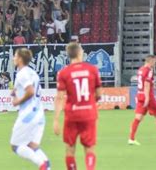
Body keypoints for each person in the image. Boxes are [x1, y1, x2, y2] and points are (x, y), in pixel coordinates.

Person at [53, 42, 101, 170]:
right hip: (89, 113)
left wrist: (56, 120)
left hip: (72, 114)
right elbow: (98, 94)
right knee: (89, 147)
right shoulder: (92, 69)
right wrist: (91, 104)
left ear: (68, 55)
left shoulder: (63, 73)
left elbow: (59, 97)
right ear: (80, 53)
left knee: (70, 148)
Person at [10, 48, 50, 170]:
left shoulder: (22, 74)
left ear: (20, 59)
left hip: (28, 114)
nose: (13, 58)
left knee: (15, 146)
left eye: (15, 56)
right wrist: (16, 93)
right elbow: (34, 90)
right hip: (39, 113)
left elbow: (31, 91)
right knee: (31, 146)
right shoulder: (33, 73)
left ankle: (41, 164)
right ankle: (46, 166)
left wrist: (17, 101)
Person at [128, 55, 156, 145]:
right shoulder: (149, 71)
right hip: (148, 96)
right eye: (154, 61)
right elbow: (146, 84)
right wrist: (147, 98)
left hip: (140, 95)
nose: (155, 63)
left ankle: (131, 139)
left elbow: (146, 84)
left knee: (138, 118)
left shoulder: (140, 70)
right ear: (150, 61)